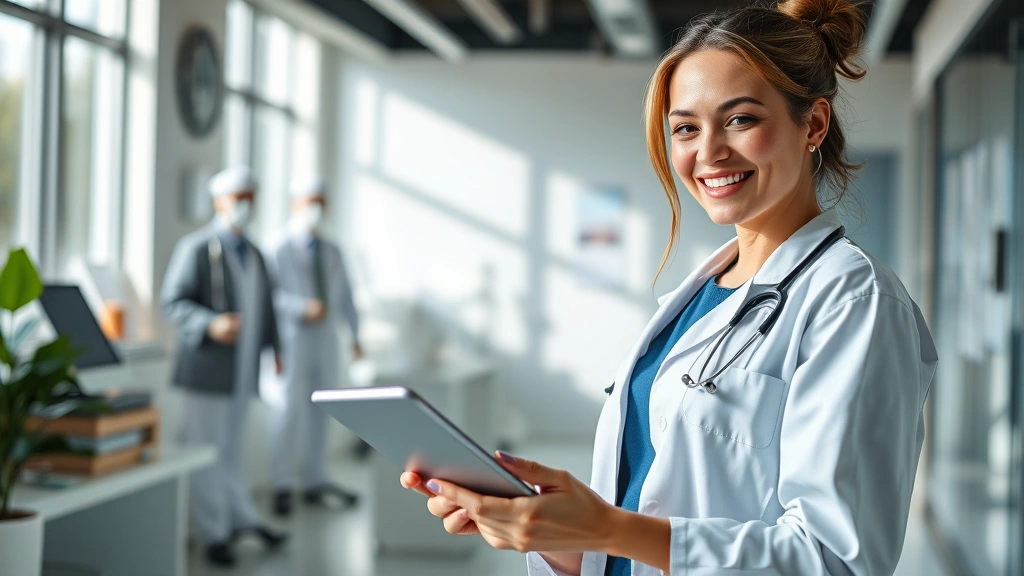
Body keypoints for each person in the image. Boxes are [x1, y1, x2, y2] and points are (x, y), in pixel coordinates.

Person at [400, 0, 938, 575]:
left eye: (741, 119)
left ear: (814, 124)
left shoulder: (854, 302)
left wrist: (606, 526)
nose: (708, 152)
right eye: (685, 128)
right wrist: (551, 531)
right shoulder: (701, 295)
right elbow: (643, 520)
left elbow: (835, 560)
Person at [161, 166, 288, 567]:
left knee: (232, 450)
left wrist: (276, 349)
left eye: (250, 197)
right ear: (218, 201)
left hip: (243, 371)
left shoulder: (256, 254)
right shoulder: (196, 248)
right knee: (206, 452)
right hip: (207, 372)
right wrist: (210, 323)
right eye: (237, 197)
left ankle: (242, 520)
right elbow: (173, 301)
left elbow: (267, 310)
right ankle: (213, 533)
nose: (244, 204)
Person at [266, 178, 364, 517]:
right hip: (292, 337)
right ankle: (280, 484)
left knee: (323, 410)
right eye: (311, 200)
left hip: (325, 339)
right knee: (287, 411)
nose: (316, 207)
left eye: (321, 201)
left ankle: (314, 480)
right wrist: (300, 307)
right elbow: (268, 298)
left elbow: (347, 296)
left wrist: (356, 336)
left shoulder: (332, 250)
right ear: (295, 203)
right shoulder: (277, 248)